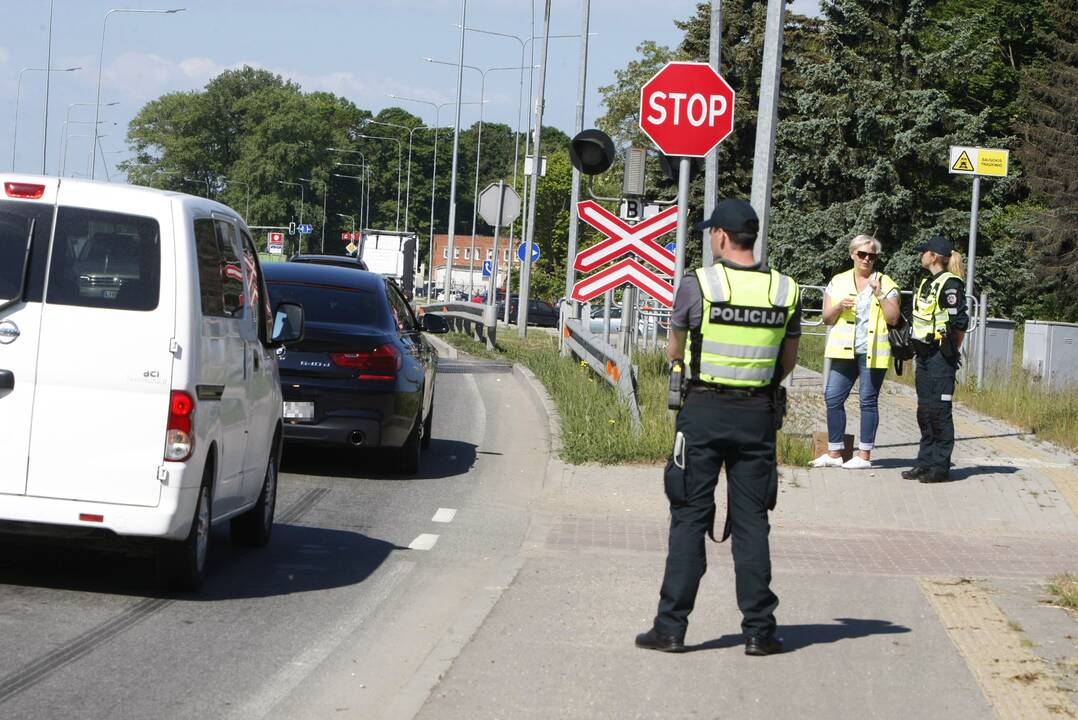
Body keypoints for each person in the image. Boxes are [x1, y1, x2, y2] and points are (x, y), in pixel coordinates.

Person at [635, 198, 800, 657]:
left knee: (689, 516)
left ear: (722, 237)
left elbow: (674, 349)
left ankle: (670, 628)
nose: (710, 239)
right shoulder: (786, 290)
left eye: (712, 233)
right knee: (752, 523)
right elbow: (788, 361)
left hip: (703, 413)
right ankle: (759, 632)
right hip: (757, 416)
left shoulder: (698, 285)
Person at [811, 235, 900, 469]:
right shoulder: (838, 281)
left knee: (867, 401)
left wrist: (879, 294)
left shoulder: (885, 282)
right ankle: (834, 453)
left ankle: (864, 456)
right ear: (852, 254)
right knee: (832, 397)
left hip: (872, 352)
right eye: (862, 254)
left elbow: (893, 318)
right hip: (843, 351)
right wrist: (839, 306)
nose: (867, 259)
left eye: (871, 256)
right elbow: (826, 319)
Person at [902, 236, 968, 483]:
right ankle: (924, 462)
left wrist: (951, 350)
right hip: (924, 355)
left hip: (941, 356)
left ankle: (940, 467)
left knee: (939, 412)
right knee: (925, 411)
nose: (921, 255)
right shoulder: (928, 281)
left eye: (924, 252)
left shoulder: (950, 284)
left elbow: (960, 323)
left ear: (933, 256)